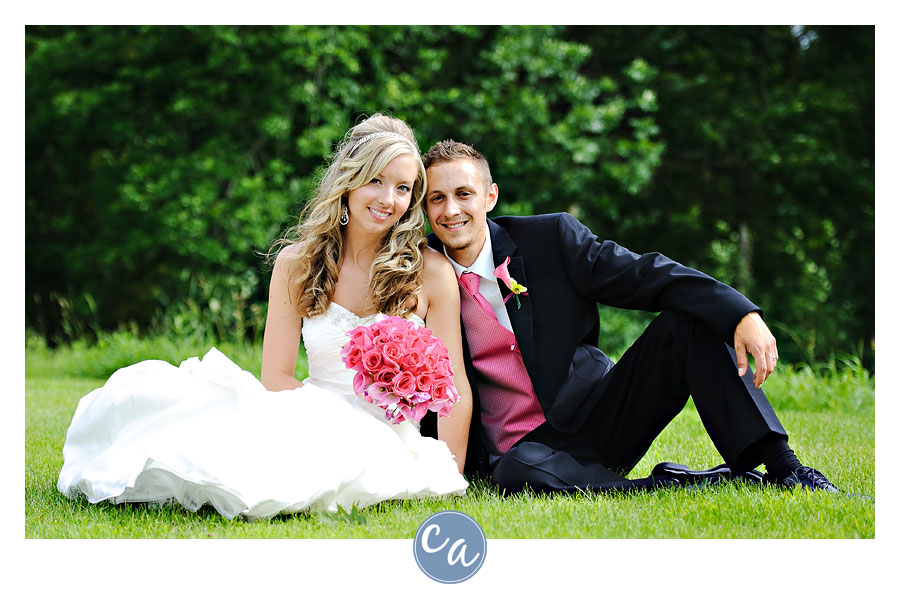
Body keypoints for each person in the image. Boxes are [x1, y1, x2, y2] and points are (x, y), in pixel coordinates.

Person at [57, 115, 472, 520]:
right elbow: (276, 377)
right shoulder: (297, 264)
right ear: (348, 181)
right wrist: (338, 425)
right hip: (308, 417)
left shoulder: (431, 273)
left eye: (403, 188)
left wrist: (450, 473)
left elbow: (454, 389)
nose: (388, 199)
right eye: (375, 180)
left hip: (391, 437)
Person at [420, 139, 838, 494]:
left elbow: (646, 274)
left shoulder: (549, 239)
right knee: (515, 472)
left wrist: (739, 313)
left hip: (599, 416)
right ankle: (670, 484)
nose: (451, 210)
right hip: (521, 455)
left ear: (490, 197)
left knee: (686, 320)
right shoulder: (418, 274)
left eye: (464, 194)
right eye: (437, 198)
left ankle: (786, 468)